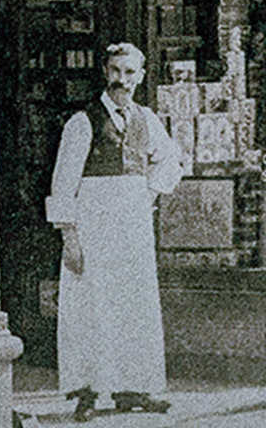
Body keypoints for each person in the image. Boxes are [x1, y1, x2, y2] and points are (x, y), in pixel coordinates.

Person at [45, 42, 187, 421]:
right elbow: (62, 184)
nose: (121, 80)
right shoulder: (83, 122)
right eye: (115, 71)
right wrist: (69, 237)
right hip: (93, 227)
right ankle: (89, 392)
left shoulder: (146, 119)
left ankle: (133, 388)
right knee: (93, 306)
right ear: (105, 72)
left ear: (140, 77)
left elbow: (171, 160)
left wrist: (150, 191)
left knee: (134, 304)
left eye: (129, 73)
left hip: (133, 225)